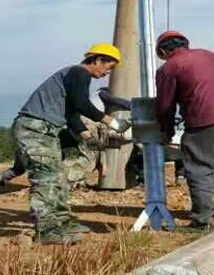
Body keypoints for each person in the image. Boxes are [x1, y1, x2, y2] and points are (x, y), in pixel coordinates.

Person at [12, 43, 130, 244]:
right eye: (108, 67)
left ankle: (62, 221)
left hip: (45, 130)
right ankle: (46, 230)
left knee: (58, 176)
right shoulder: (79, 72)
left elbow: (71, 114)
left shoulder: (72, 78)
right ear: (97, 59)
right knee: (46, 177)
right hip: (34, 128)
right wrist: (112, 122)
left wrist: (88, 138)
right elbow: (82, 104)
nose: (107, 73)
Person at [155, 31, 214, 231]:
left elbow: (165, 105)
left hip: (204, 119)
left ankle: (202, 221)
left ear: (163, 51)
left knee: (200, 168)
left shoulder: (169, 67)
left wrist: (166, 130)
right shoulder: (210, 55)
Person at [0, 90, 133, 193]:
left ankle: (0, 178)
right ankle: (59, 183)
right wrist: (133, 105)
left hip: (60, 127)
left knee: (22, 165)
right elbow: (114, 101)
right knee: (88, 158)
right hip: (86, 123)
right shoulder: (101, 93)